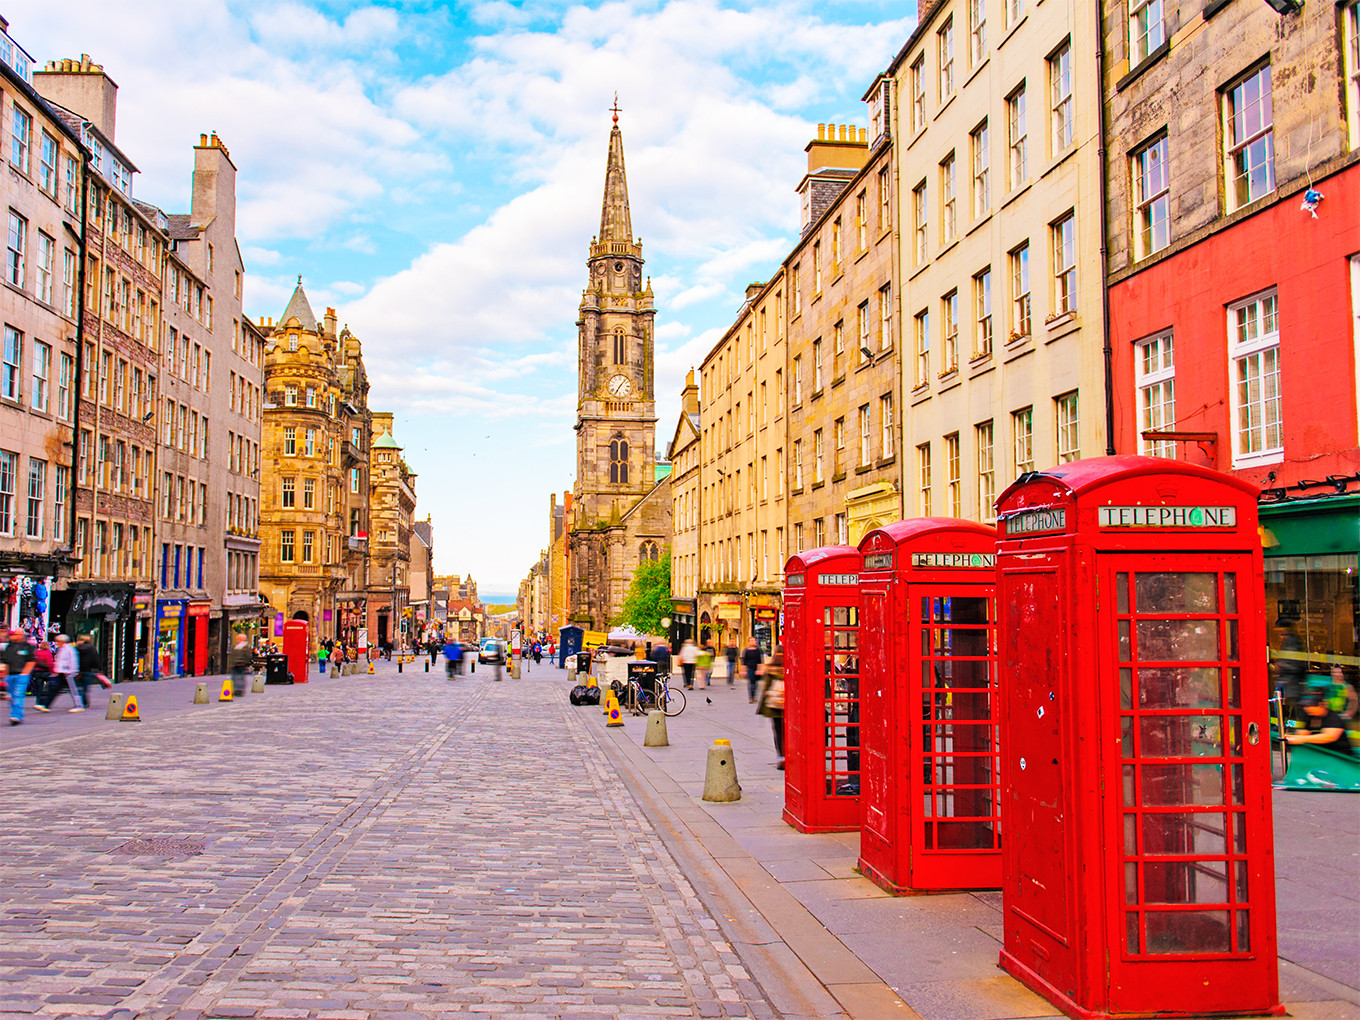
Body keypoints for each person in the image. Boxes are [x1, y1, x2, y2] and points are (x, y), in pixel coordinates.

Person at [1286, 690, 1357, 756]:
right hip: (1318, 752)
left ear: (1321, 705)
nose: (1306, 708)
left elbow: (1330, 737)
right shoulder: (1307, 716)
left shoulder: (1333, 718)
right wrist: (1293, 737)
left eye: (1309, 706)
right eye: (1305, 706)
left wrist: (1302, 739)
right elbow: (1302, 733)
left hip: (1339, 754)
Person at [756, 644, 786, 769]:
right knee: (788, 732)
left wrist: (762, 708)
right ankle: (790, 755)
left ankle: (781, 757)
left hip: (774, 706)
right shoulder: (791, 667)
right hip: (788, 706)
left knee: (778, 732)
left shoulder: (770, 668)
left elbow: (765, 688)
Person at [38, 634, 81, 712]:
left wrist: (73, 671)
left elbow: (73, 661)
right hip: (60, 672)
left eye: (58, 641)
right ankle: (46, 705)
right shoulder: (61, 649)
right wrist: (56, 671)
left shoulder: (69, 649)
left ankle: (79, 705)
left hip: (67, 672)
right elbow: (60, 661)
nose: (57, 643)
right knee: (54, 688)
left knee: (72, 689)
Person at [3, 628, 35, 725]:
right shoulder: (9, 646)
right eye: (15, 634)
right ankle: (16, 714)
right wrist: (5, 675)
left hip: (21, 675)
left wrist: (25, 673)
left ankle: (16, 716)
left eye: (18, 634)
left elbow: (31, 661)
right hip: (10, 675)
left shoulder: (27, 647)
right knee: (12, 696)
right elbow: (6, 661)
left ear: (23, 635)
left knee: (18, 695)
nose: (16, 636)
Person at [74, 634, 104, 710]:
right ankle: (84, 702)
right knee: (85, 687)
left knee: (78, 686)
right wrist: (99, 668)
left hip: (80, 670)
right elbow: (96, 659)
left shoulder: (77, 649)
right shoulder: (92, 649)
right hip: (89, 670)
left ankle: (80, 701)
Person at [229, 632, 253, 697]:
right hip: (234, 665)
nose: (238, 639)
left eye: (239, 638)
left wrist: (245, 663)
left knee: (240, 677)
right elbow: (231, 655)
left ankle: (239, 690)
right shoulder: (235, 645)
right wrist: (231, 663)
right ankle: (235, 689)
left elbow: (248, 656)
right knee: (234, 677)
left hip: (241, 664)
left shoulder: (246, 646)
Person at [742, 638, 763, 703]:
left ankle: (754, 696)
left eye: (754, 641)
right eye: (751, 641)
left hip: (756, 668)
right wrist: (743, 670)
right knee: (751, 683)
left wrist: (759, 669)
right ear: (749, 642)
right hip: (749, 668)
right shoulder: (746, 650)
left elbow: (760, 661)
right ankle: (751, 697)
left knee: (756, 683)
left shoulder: (758, 650)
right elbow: (744, 661)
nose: (753, 642)